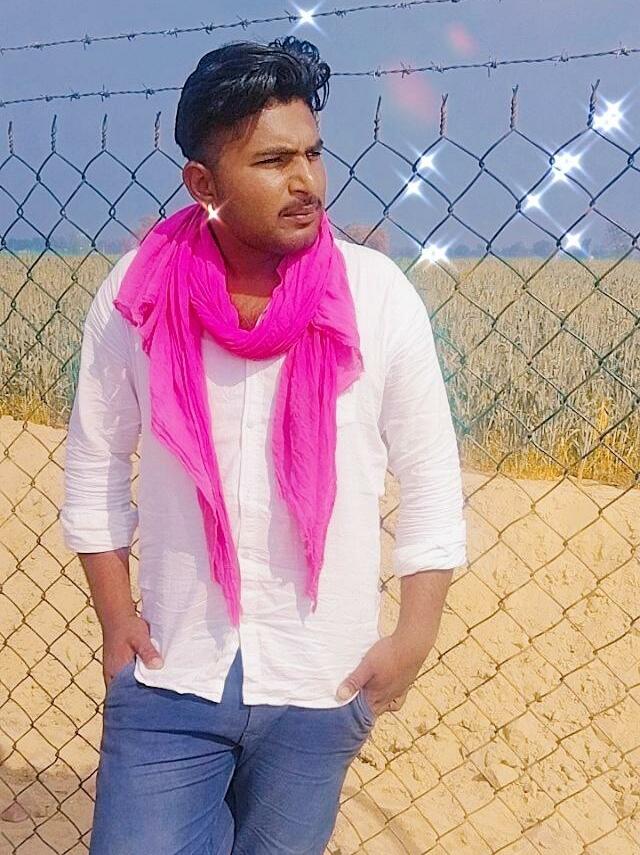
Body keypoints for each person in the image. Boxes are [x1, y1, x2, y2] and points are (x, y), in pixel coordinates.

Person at [60, 34, 467, 855]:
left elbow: (430, 478)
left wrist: (414, 636)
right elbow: (95, 461)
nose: (306, 181)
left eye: (312, 154)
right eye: (274, 161)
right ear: (203, 185)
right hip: (172, 672)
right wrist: (116, 619)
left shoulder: (377, 297)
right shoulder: (137, 293)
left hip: (321, 677)